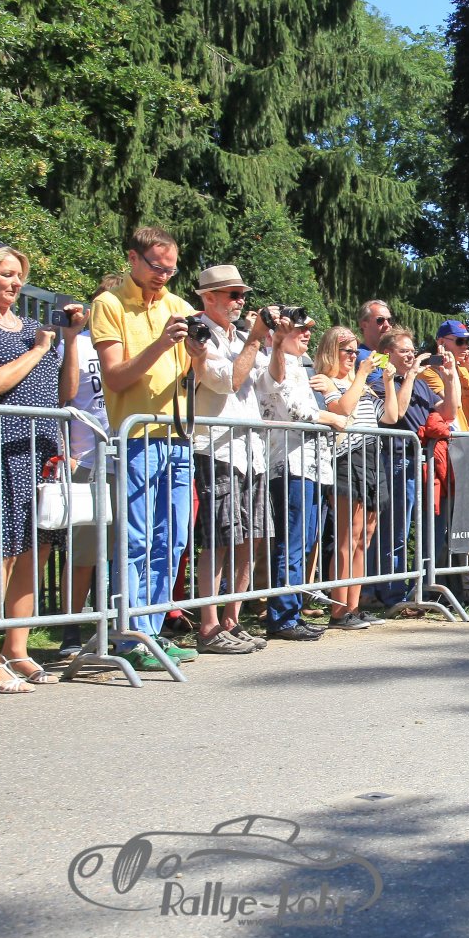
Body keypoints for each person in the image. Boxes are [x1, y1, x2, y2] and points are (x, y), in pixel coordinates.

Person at [90, 226, 201, 672]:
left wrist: (198, 351)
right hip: (136, 439)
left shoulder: (179, 306)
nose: (164, 276)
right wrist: (161, 343)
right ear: (133, 259)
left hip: (178, 438)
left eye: (171, 269)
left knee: (171, 542)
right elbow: (115, 378)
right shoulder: (109, 303)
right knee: (135, 541)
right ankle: (128, 636)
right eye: (157, 267)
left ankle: (152, 633)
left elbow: (198, 373)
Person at [0, 241, 83, 693]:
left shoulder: (31, 328)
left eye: (19, 275)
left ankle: (17, 649)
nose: (15, 282)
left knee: (32, 550)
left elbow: (66, 393)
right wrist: (41, 349)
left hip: (41, 449)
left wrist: (68, 341)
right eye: (6, 274)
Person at [187, 265, 275, 654]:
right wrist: (255, 340)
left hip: (251, 452)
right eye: (233, 294)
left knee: (251, 538)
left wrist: (276, 338)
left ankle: (232, 620)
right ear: (209, 297)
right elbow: (227, 382)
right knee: (220, 541)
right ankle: (208, 626)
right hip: (217, 450)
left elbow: (272, 384)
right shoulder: (198, 334)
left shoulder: (240, 337)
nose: (240, 302)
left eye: (242, 295)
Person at [256, 309, 346, 641]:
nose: (306, 333)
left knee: (305, 541)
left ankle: (291, 612)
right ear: (278, 335)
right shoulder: (272, 362)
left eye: (308, 329)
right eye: (298, 329)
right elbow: (295, 411)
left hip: (311, 464)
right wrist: (332, 419)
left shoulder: (300, 365)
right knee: (292, 543)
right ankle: (282, 618)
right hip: (289, 464)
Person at [310, 326, 399, 632]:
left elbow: (391, 416)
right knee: (348, 536)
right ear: (330, 351)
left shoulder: (363, 385)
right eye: (346, 351)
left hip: (372, 458)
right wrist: (361, 374)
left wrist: (388, 381)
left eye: (353, 351)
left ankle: (354, 606)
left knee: (365, 537)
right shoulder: (326, 381)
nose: (351, 356)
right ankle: (338, 610)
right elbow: (342, 410)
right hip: (346, 459)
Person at [56, 273, 118, 658]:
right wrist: (66, 450)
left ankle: (111, 628)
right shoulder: (77, 343)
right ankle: (70, 630)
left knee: (118, 552)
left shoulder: (132, 344)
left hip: (128, 456)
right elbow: (64, 397)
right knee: (83, 554)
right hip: (89, 460)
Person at [375, 327, 456, 610]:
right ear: (388, 354)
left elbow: (449, 413)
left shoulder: (421, 384)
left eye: (412, 350)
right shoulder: (380, 380)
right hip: (397, 460)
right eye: (404, 351)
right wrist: (410, 376)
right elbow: (397, 411)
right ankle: (393, 595)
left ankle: (417, 593)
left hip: (424, 463)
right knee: (397, 531)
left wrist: (450, 380)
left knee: (429, 530)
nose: (411, 355)